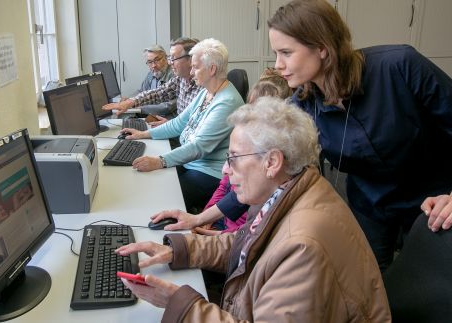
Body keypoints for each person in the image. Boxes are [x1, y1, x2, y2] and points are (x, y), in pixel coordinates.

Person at [268, 0, 452, 270]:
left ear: (322, 48)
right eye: (276, 53)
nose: (277, 65)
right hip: (370, 205)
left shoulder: (399, 65)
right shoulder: (302, 106)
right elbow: (269, 163)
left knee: (432, 286)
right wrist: (223, 213)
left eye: (286, 52)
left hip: (433, 201)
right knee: (368, 282)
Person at [115, 97, 390, 322]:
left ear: (272, 162)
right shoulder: (291, 188)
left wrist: (178, 304)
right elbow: (250, 242)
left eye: (233, 158)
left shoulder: (303, 247)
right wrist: (180, 250)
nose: (225, 169)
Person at [150, 68, 293, 235]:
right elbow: (225, 188)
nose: (225, 168)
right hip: (223, 230)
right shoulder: (248, 150)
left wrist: (208, 233)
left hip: (229, 240)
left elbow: (249, 237)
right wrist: (204, 218)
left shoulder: (272, 176)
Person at [119, 38, 244, 213]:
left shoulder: (227, 101)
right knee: (147, 183)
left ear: (212, 69)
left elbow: (198, 147)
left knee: (158, 197)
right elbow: (179, 123)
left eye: (195, 67)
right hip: (192, 163)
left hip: (207, 172)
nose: (191, 72)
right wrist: (143, 135)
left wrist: (160, 161)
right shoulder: (206, 92)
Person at [103, 38, 201, 126]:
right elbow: (158, 93)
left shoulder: (202, 87)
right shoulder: (180, 79)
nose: (171, 62)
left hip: (172, 124)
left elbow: (169, 108)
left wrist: (171, 126)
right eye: (150, 62)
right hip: (172, 126)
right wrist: (130, 101)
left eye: (173, 59)